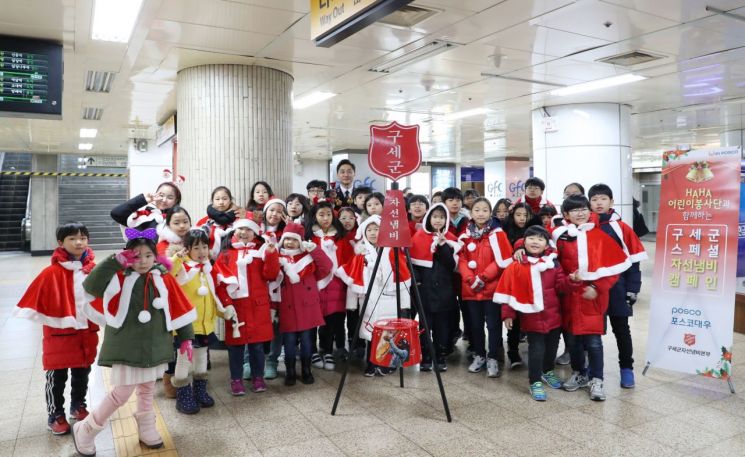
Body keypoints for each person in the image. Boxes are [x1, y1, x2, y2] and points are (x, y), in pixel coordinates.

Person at [75, 229, 196, 456]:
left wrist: (186, 337)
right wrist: (114, 262)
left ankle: (147, 427)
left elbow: (179, 305)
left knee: (147, 388)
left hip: (156, 344)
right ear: (127, 255)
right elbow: (91, 285)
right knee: (121, 394)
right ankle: (87, 429)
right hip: (126, 345)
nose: (143, 261)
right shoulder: (118, 275)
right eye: (136, 256)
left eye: (148, 255)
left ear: (155, 256)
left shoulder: (162, 276)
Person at [14, 222, 100, 435]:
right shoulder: (51, 272)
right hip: (59, 335)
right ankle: (55, 414)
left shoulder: (94, 270)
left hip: (85, 333)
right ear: (61, 242)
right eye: (72, 238)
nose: (78, 242)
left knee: (83, 372)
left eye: (82, 237)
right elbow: (36, 300)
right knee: (56, 377)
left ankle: (78, 405)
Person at [552, 195, 630, 402]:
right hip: (569, 295)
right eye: (575, 210)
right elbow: (543, 250)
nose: (580, 213)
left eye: (584, 209)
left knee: (594, 342)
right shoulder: (559, 236)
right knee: (573, 340)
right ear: (566, 215)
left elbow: (614, 269)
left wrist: (597, 286)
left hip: (593, 297)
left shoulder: (600, 236)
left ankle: (597, 379)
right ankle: (579, 373)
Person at [495, 226, 581, 401]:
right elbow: (508, 290)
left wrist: (572, 281)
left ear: (546, 244)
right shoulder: (517, 264)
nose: (535, 242)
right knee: (536, 349)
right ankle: (535, 381)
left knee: (551, 348)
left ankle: (547, 371)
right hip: (532, 316)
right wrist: (508, 313)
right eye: (532, 238)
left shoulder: (553, 264)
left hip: (554, 316)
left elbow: (560, 286)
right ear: (523, 242)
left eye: (540, 239)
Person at [336, 215, 411, 377]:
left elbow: (403, 277)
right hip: (369, 298)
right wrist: (352, 304)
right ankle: (371, 362)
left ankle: (386, 362)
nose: (372, 233)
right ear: (363, 233)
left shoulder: (392, 251)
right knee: (371, 330)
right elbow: (353, 280)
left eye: (376, 229)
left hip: (389, 297)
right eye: (369, 230)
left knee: (388, 331)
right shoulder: (361, 254)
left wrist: (404, 302)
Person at [589, 184, 647, 388]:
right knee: (592, 331)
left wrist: (633, 288)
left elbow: (635, 260)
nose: (598, 203)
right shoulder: (584, 227)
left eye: (603, 199)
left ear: (611, 202)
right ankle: (593, 370)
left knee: (621, 329)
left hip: (618, 288)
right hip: (592, 290)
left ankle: (626, 369)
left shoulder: (621, 228)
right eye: (594, 199)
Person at [214, 217, 280, 395]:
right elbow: (219, 281)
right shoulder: (226, 254)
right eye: (240, 229)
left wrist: (272, 254)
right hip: (236, 307)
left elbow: (271, 274)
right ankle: (236, 380)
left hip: (258, 306)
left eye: (248, 229)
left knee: (257, 347)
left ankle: (258, 377)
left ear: (255, 233)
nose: (244, 232)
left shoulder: (260, 252)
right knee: (235, 346)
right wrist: (226, 305)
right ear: (234, 231)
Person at [168, 228, 226, 412]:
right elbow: (167, 272)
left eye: (204, 246)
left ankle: (199, 390)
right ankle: (183, 395)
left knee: (202, 358)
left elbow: (212, 294)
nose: (202, 251)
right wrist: (178, 257)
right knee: (184, 360)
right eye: (196, 247)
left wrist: (221, 311)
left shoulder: (207, 267)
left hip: (205, 324)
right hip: (186, 325)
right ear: (187, 249)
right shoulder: (183, 267)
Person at [457, 198, 513, 377]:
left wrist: (482, 277)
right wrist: (469, 278)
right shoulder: (465, 235)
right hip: (470, 289)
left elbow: (502, 260)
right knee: (475, 325)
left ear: (491, 213)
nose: (480, 213)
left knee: (494, 325)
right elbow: (461, 259)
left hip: (492, 289)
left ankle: (493, 358)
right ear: (471, 213)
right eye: (477, 210)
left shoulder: (498, 234)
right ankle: (479, 355)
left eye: (484, 210)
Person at [273, 223, 332, 385]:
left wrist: (314, 249)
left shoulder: (308, 258)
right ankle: (290, 371)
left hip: (308, 307)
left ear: (300, 241)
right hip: (287, 307)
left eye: (294, 239)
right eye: (287, 239)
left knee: (307, 342)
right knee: (289, 343)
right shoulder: (277, 259)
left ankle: (306, 370)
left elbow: (327, 267)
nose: (290, 243)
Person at [410, 203, 460, 372]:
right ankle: (426, 356)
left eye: (441, 217)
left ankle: (439, 356)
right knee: (424, 325)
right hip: (424, 289)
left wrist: (442, 245)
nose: (438, 220)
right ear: (428, 218)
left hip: (445, 290)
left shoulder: (451, 239)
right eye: (435, 217)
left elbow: (451, 264)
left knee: (442, 326)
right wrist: (417, 281)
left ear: (446, 220)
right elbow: (412, 264)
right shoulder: (418, 236)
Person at [307, 200, 352, 370]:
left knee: (332, 320)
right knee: (312, 319)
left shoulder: (341, 238)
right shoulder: (309, 237)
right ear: (314, 217)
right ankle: (312, 351)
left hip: (336, 285)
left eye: (328, 214)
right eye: (321, 215)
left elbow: (348, 261)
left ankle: (327, 351)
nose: (325, 218)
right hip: (314, 284)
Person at [110, 182, 181, 235]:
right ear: (155, 194)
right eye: (161, 195)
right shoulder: (141, 217)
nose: (164, 200)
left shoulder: (180, 219)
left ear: (176, 200)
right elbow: (116, 213)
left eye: (170, 197)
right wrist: (144, 200)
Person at [197, 186, 244, 259]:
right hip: (209, 262)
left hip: (235, 261)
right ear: (212, 201)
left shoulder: (240, 219)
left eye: (225, 199)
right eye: (217, 199)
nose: (221, 202)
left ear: (230, 200)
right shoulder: (205, 222)